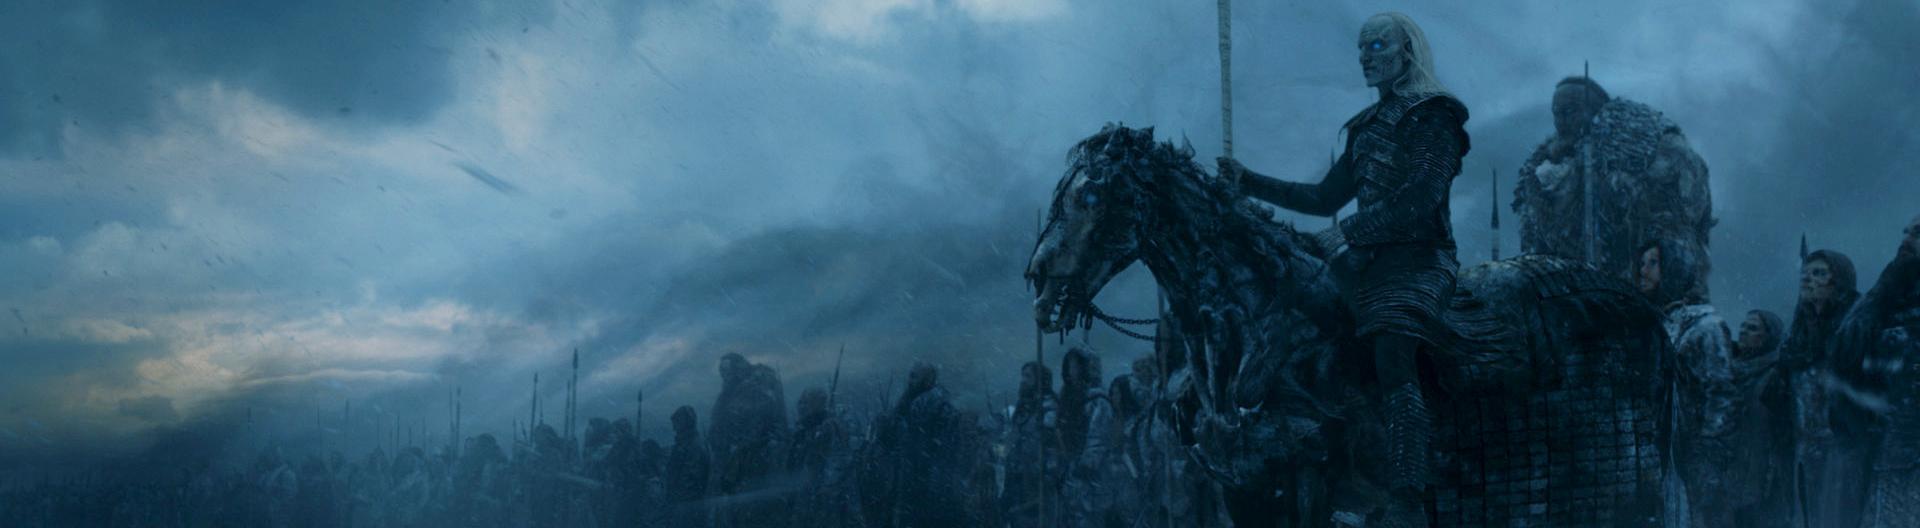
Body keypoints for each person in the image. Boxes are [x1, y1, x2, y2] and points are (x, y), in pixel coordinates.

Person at [1216, 11, 1468, 525]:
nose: (1365, 57)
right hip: (1363, 268)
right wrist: (1248, 181)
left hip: (1418, 261)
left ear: (1406, 52)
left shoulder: (1434, 116)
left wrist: (1350, 230)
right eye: (1360, 48)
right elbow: (1324, 197)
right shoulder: (1366, 127)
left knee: (1393, 351)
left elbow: (1422, 196)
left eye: (1377, 46)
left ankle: (1407, 499)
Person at [1512, 75, 1714, 288]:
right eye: (1557, 113)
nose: (1561, 121)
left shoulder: (1644, 155)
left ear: (1596, 112)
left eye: (1570, 111)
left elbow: (1670, 230)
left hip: (1631, 286)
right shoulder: (1544, 175)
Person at [1825, 214, 1920, 528]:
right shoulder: (1885, 304)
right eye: (1905, 231)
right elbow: (1845, 368)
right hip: (1882, 461)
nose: (1906, 239)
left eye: (1918, 233)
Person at [1636, 239, 1736, 526]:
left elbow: (1721, 394)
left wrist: (1708, 453)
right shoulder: (1653, 324)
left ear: (1674, 269)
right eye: (1641, 264)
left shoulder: (1705, 326)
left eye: (1653, 263)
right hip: (1660, 452)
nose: (1643, 271)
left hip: (1693, 454)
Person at [1782, 249, 1860, 524]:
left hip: (1842, 446)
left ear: (1839, 281)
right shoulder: (1800, 328)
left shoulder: (1855, 323)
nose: (1809, 280)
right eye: (1805, 274)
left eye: (1819, 273)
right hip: (1805, 445)